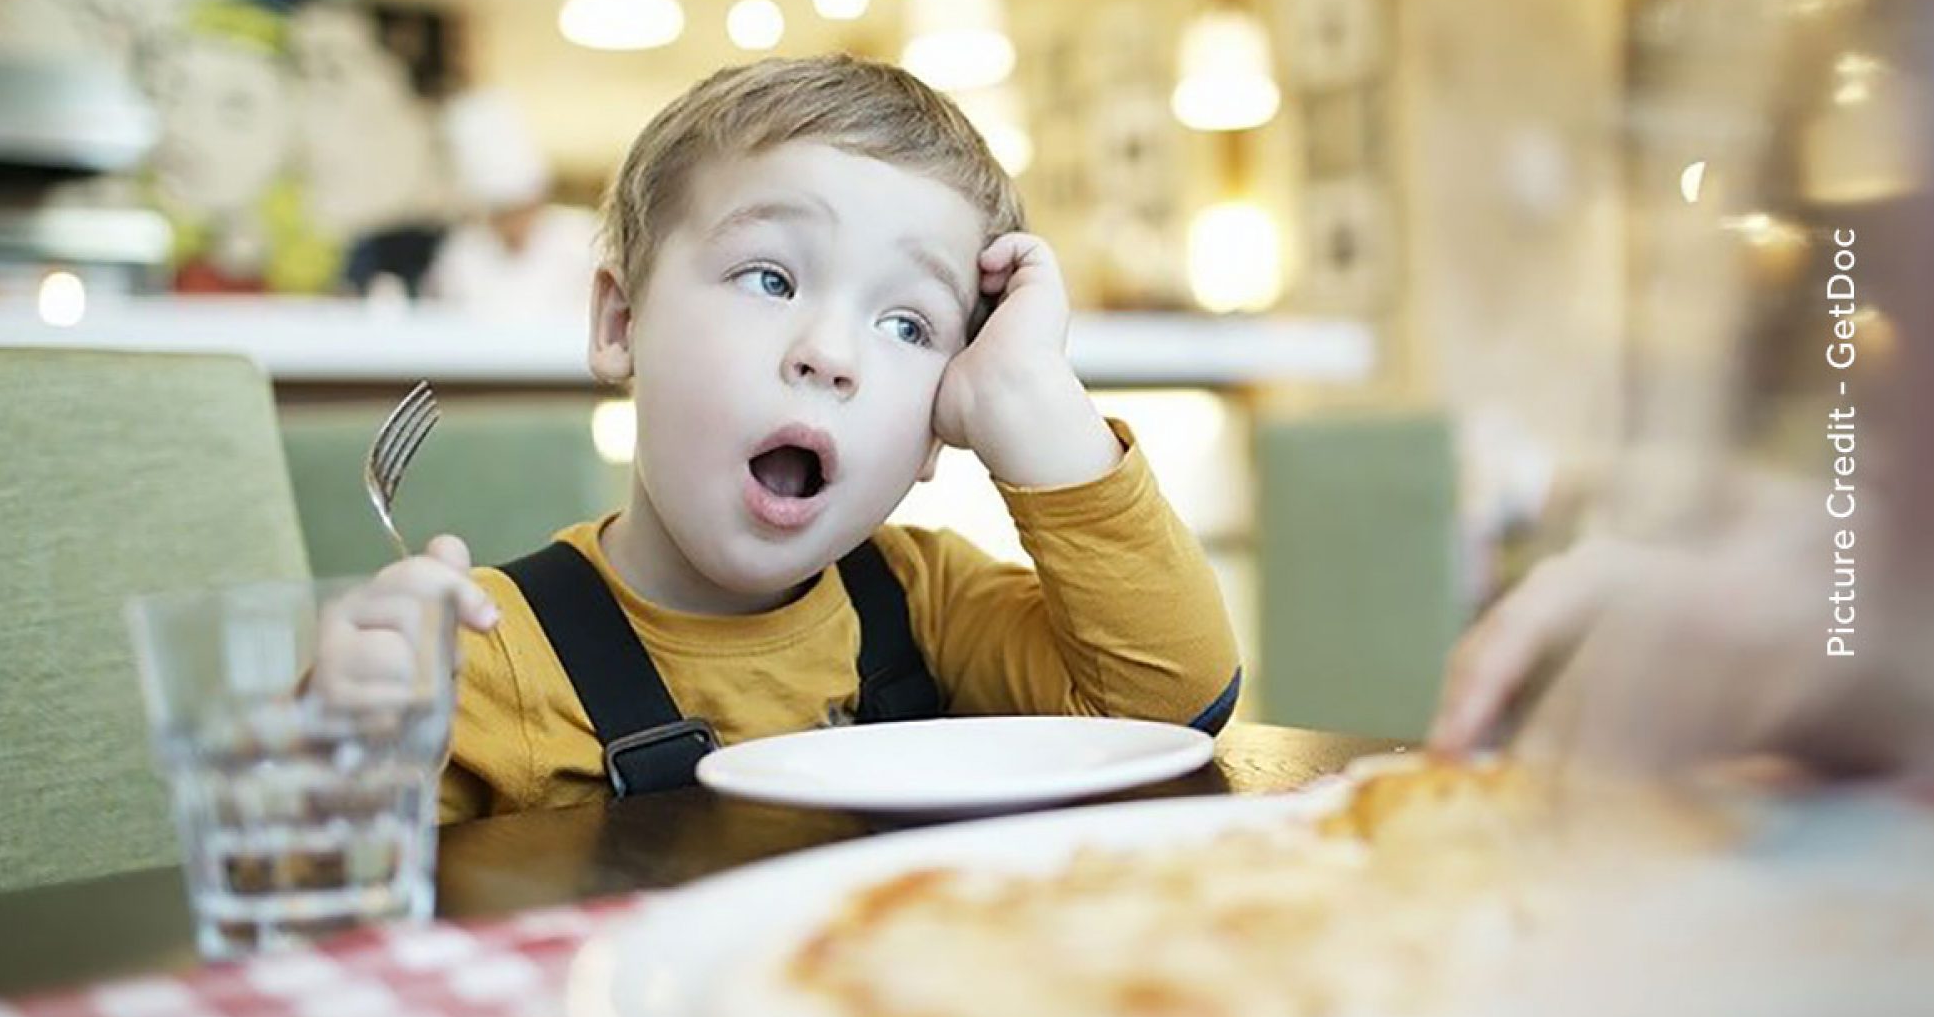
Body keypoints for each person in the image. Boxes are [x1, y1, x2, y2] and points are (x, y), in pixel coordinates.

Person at [318, 56, 1243, 822]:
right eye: (770, 279)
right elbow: (321, 890)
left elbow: (1172, 705)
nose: (831, 355)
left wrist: (1035, 400)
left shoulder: (927, 605)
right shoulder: (484, 657)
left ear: (936, 432)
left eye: (909, 327)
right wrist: (347, 731)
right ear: (620, 322)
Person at [424, 88, 600, 322]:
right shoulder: (463, 254)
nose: (513, 221)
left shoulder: (581, 239)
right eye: (502, 213)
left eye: (520, 209)